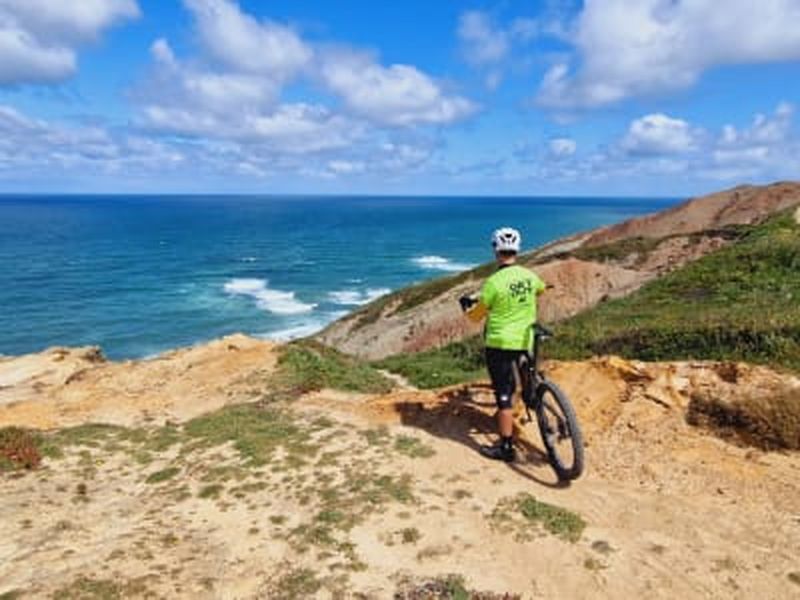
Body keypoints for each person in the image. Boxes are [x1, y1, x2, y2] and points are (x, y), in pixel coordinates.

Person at [459, 227, 547, 463]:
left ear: (496, 250)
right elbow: (540, 289)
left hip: (499, 343)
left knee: (504, 393)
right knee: (526, 367)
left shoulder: (494, 282)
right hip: (524, 338)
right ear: (517, 249)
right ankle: (531, 395)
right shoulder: (529, 276)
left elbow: (477, 316)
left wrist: (466, 306)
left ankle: (506, 447)